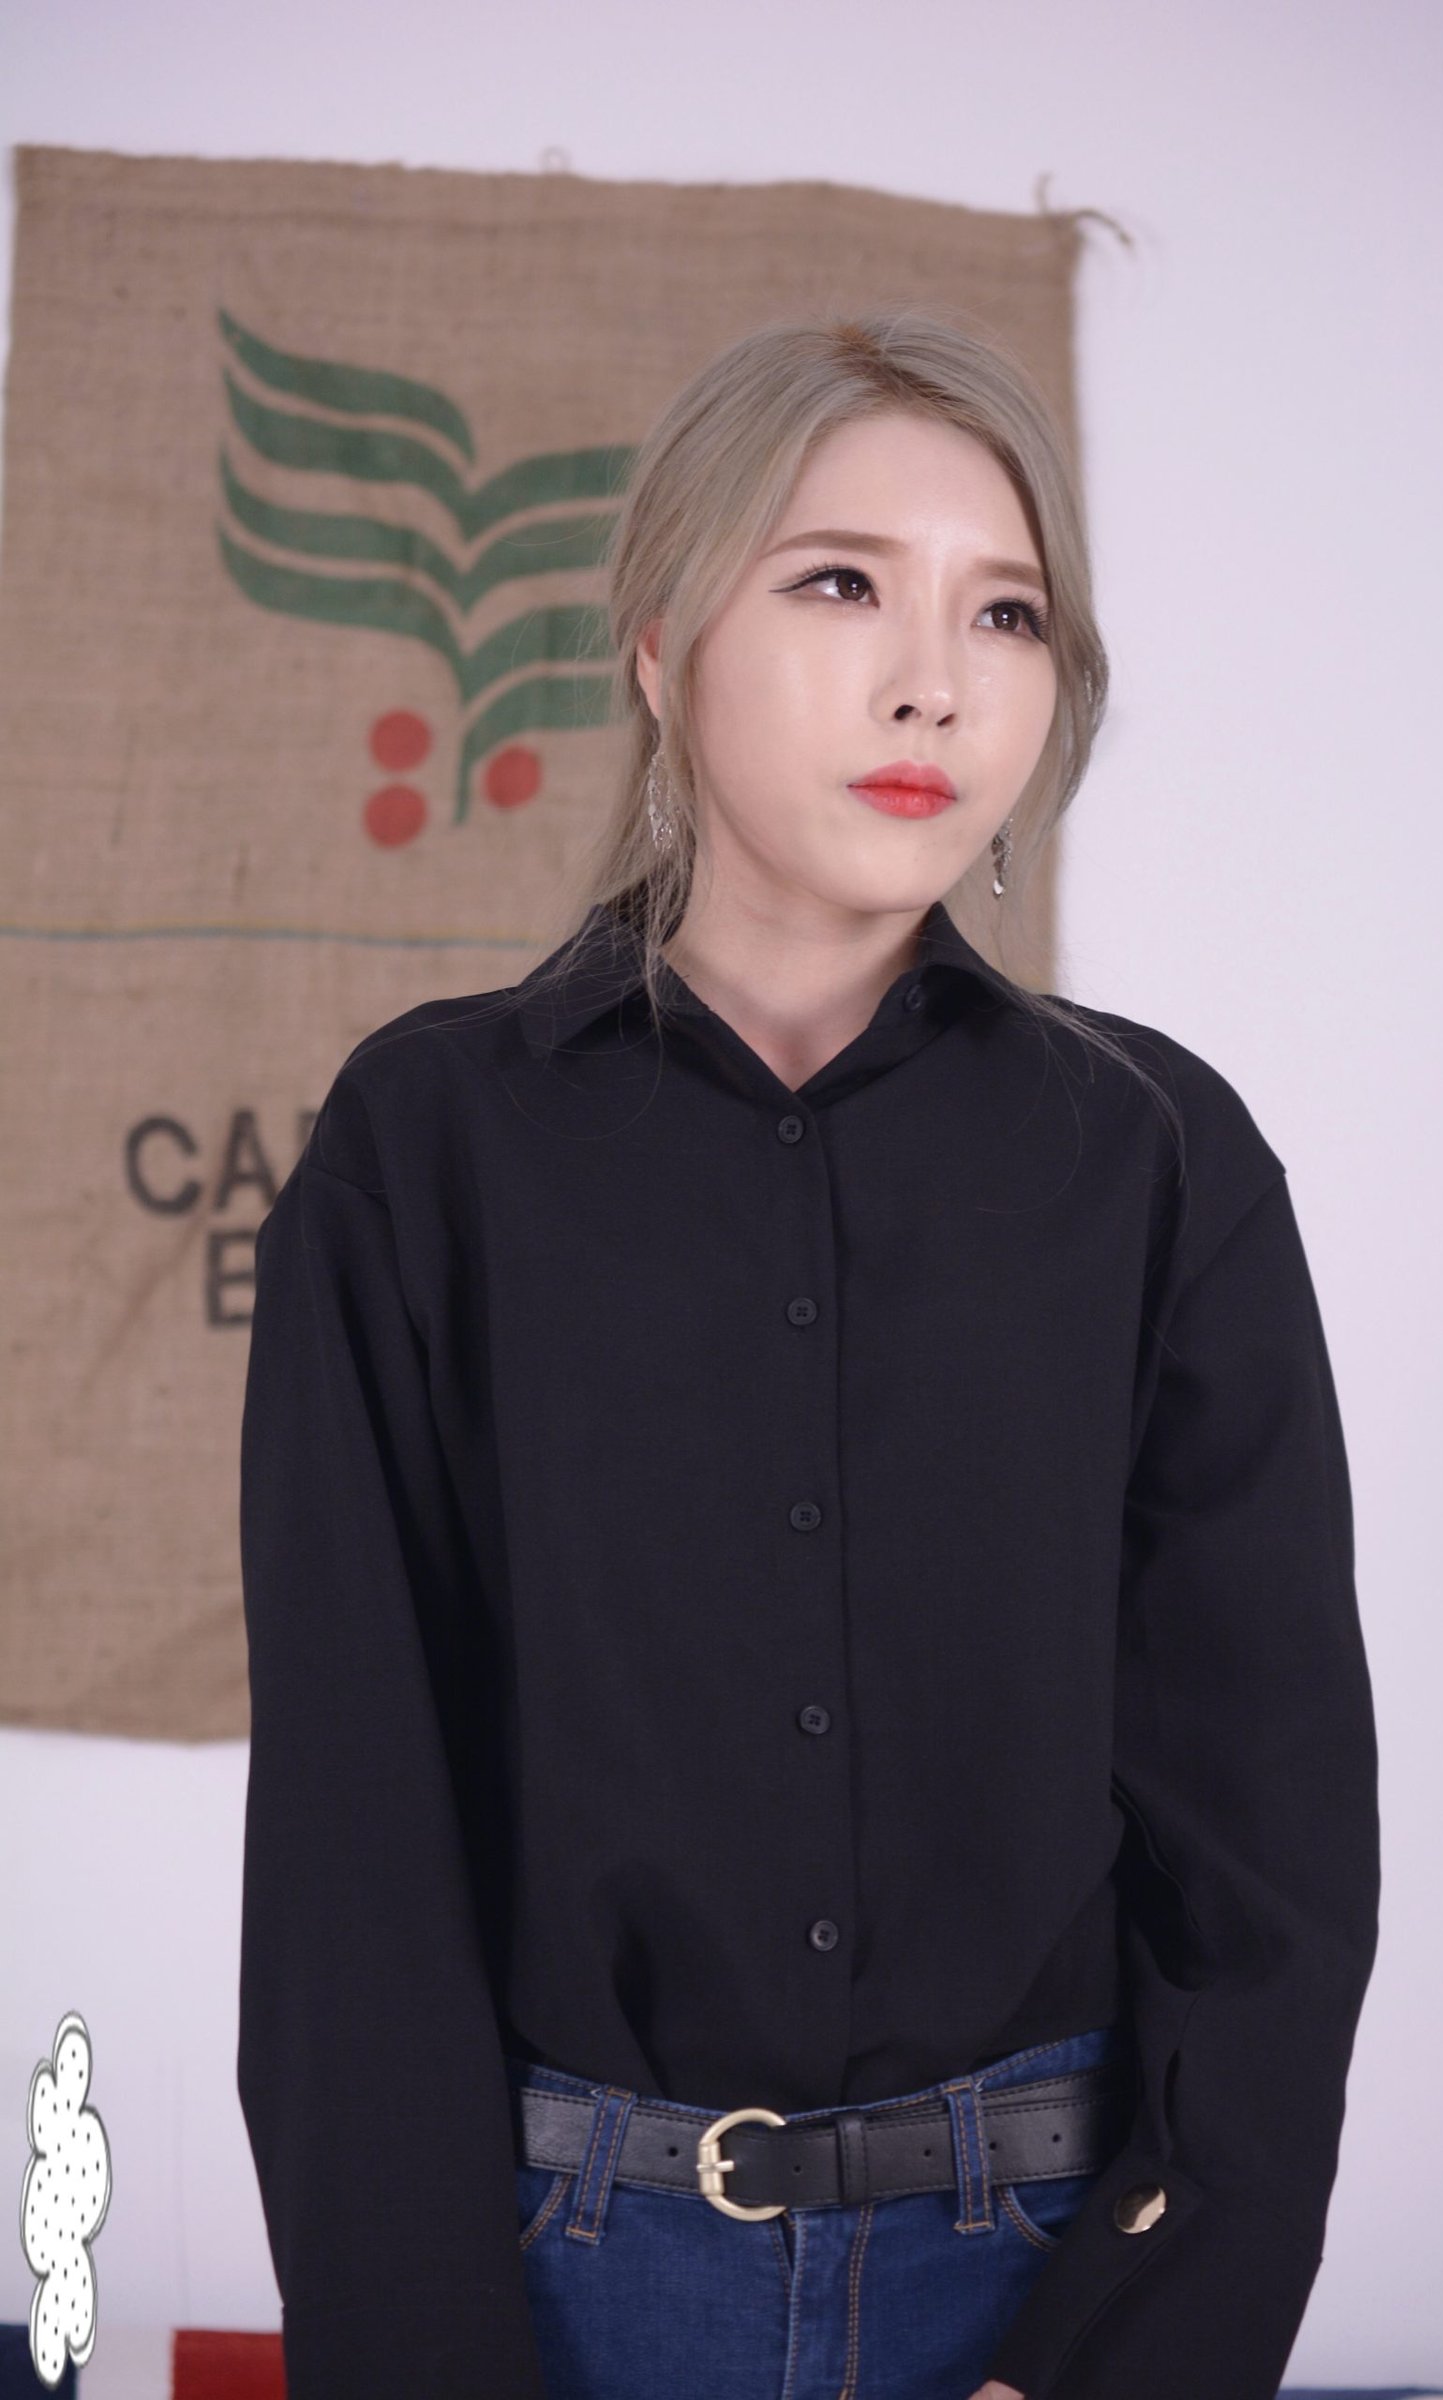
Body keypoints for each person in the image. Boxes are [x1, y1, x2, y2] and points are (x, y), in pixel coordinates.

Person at [237, 305, 1381, 2400]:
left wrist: (1120, 2362)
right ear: (660, 642)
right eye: (841, 582)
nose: (934, 678)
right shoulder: (425, 1152)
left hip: (1046, 2282)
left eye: (1005, 612)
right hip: (562, 2290)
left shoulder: (1159, 1164)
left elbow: (1269, 1862)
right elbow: (351, 1856)